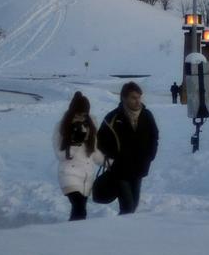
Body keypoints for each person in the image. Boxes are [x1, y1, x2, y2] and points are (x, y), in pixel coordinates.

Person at [98, 81, 159, 214]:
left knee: (134, 204)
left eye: (139, 97)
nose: (138, 101)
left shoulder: (147, 115)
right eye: (133, 98)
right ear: (124, 98)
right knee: (128, 207)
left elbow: (154, 137)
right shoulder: (113, 117)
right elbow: (100, 141)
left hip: (139, 168)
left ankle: (124, 231)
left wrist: (150, 156)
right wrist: (113, 157)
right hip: (120, 170)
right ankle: (122, 233)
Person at [53, 91, 104, 221]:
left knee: (81, 210)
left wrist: (107, 162)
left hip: (87, 175)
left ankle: (75, 235)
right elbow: (59, 154)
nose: (81, 118)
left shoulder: (91, 126)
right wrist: (75, 142)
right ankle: (73, 237)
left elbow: (93, 151)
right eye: (78, 114)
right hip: (68, 173)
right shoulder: (62, 126)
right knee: (79, 206)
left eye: (84, 115)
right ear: (72, 111)